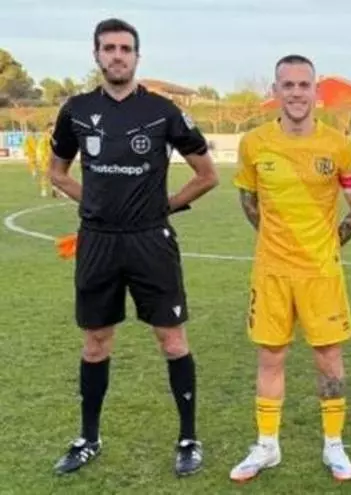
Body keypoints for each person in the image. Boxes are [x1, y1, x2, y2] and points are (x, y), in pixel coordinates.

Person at [48, 18, 219, 476]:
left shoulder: (163, 111)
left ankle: (188, 438)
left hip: (150, 240)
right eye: (109, 48)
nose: (117, 56)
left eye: (125, 49)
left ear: (137, 57)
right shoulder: (77, 109)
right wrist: (94, 201)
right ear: (96, 56)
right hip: (98, 242)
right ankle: (88, 438)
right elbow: (57, 172)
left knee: (172, 339)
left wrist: (167, 205)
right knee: (95, 343)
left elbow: (207, 175)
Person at [229, 54, 351, 483]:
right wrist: (275, 242)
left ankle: (334, 445)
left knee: (329, 356)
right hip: (271, 272)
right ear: (275, 92)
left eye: (303, 85)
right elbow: (248, 200)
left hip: (320, 274)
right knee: (270, 356)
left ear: (315, 92)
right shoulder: (254, 143)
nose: (295, 93)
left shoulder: (340, 146)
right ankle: (267, 445)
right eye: (287, 85)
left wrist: (326, 246)